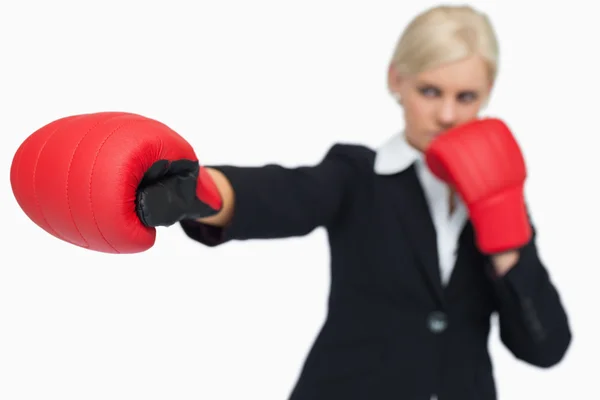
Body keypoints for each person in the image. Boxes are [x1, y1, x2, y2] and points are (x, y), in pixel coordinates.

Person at [135, 5, 572, 400]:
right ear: (395, 80)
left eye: (466, 97)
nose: (447, 117)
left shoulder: (500, 193)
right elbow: (284, 194)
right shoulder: (358, 175)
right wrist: (198, 190)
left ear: (489, 91)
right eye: (430, 91)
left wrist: (505, 240)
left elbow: (545, 348)